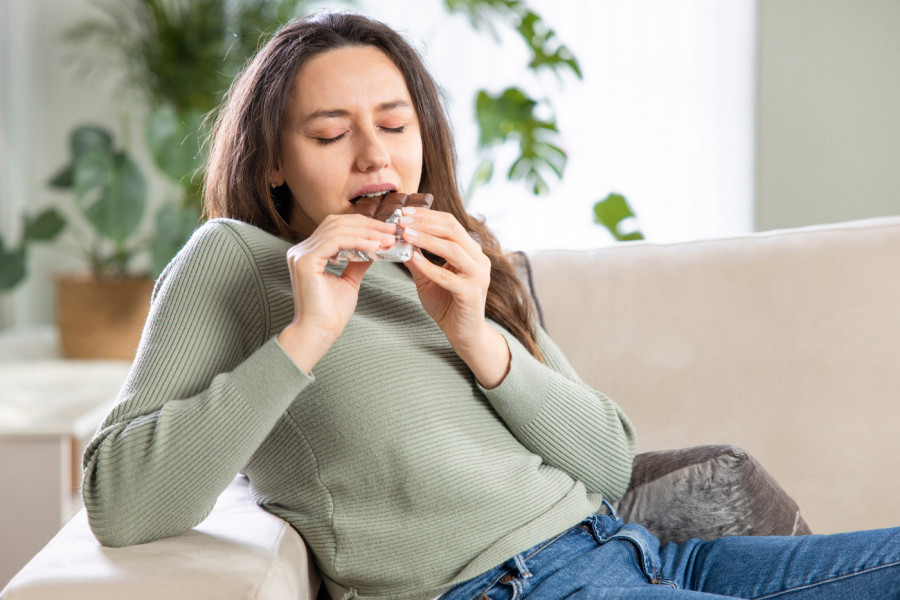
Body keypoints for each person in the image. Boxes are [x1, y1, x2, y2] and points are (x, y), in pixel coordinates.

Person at [81, 11, 899, 600]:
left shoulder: (460, 255)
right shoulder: (235, 262)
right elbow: (121, 504)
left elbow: (609, 459)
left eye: (395, 126)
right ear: (273, 167)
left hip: (645, 556)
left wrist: (476, 333)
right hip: (515, 586)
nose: (375, 155)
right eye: (330, 135)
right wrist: (309, 333)